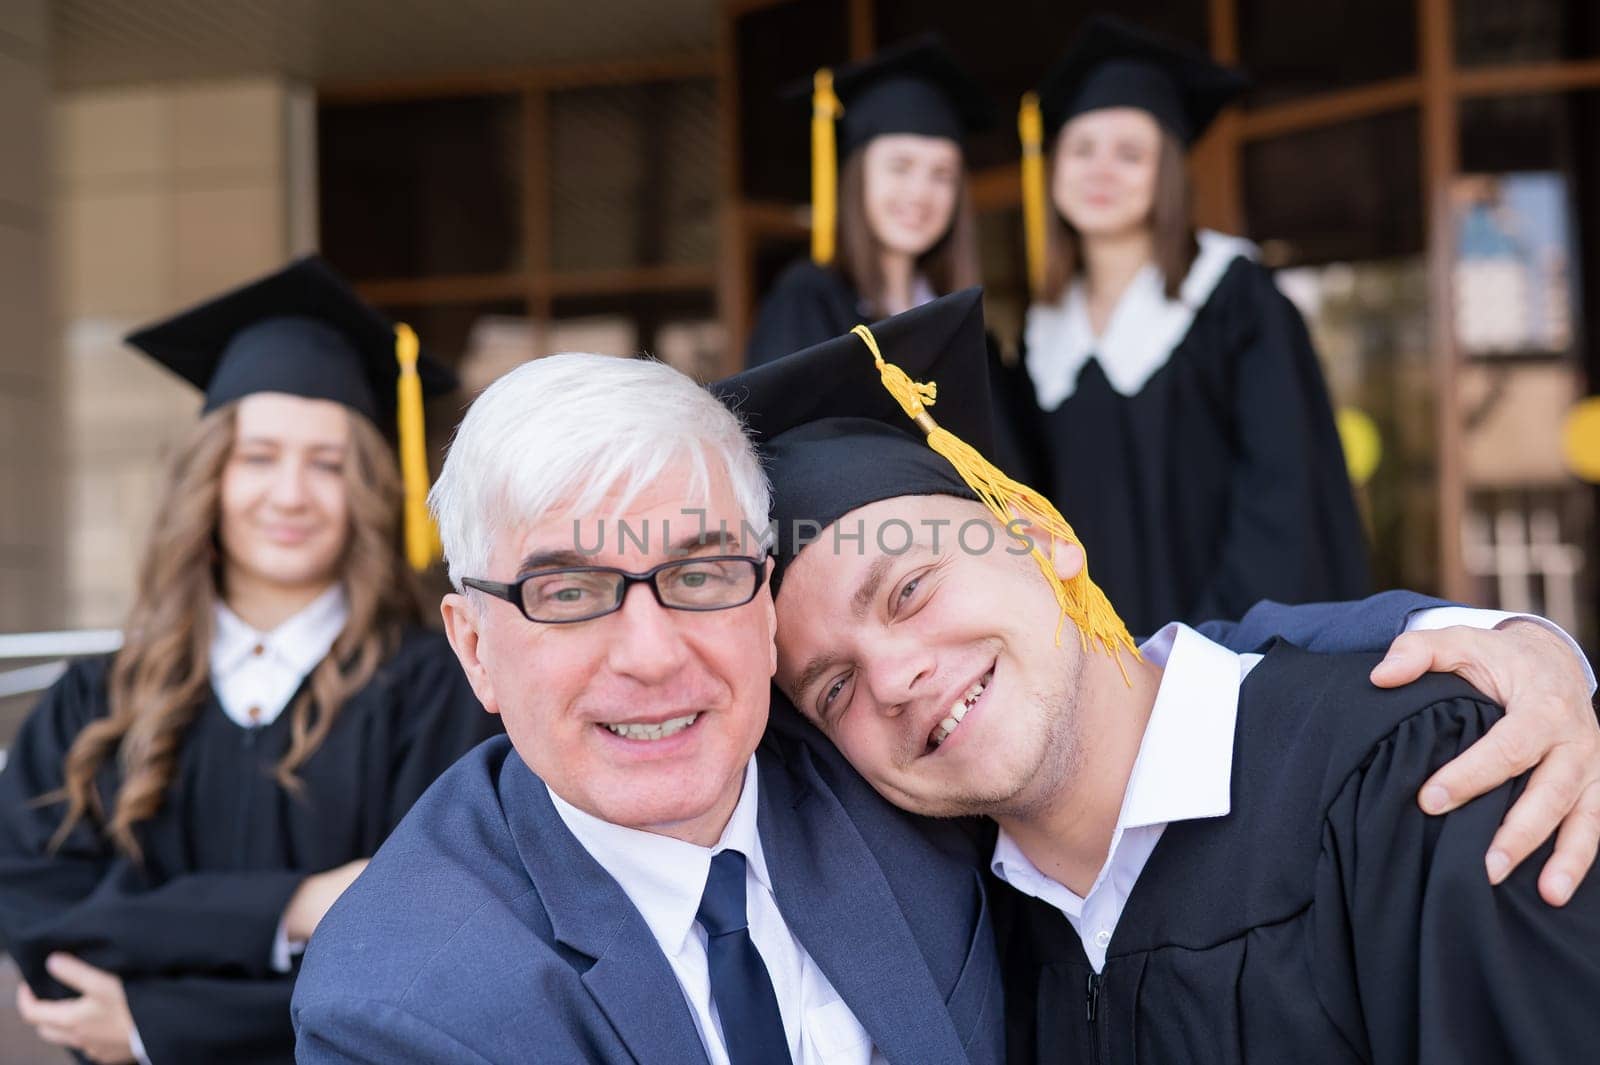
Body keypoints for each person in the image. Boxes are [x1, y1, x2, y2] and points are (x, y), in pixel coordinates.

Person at [723, 290, 1600, 1064]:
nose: (894, 676)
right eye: (832, 687)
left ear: (1040, 539)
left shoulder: (1421, 783)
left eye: (910, 589)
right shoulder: (978, 951)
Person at [290, 353, 1006, 1064]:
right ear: (475, 648)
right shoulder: (400, 1009)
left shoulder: (911, 769)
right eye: (568, 592)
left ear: (764, 607)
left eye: (699, 574)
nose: (652, 654)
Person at [0, 257, 499, 1065]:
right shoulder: (97, 699)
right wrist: (301, 906)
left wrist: (153, 1020)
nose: (291, 494)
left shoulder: (438, 689)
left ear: (368, 487)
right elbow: (46, 926)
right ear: (208, 476)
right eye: (258, 456)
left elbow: (437, 950)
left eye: (328, 463)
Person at [1009, 16, 1367, 634]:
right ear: (1054, 166)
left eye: (1130, 153)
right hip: (1096, 655)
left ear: (1166, 173)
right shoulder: (1044, 332)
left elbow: (1282, 499)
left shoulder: (1233, 298)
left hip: (1227, 646)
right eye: (1082, 149)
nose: (1101, 171)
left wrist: (1211, 649)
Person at [744, 35, 991, 367]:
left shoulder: (964, 328)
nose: (920, 192)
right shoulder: (808, 302)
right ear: (858, 178)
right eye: (899, 167)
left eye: (942, 174)